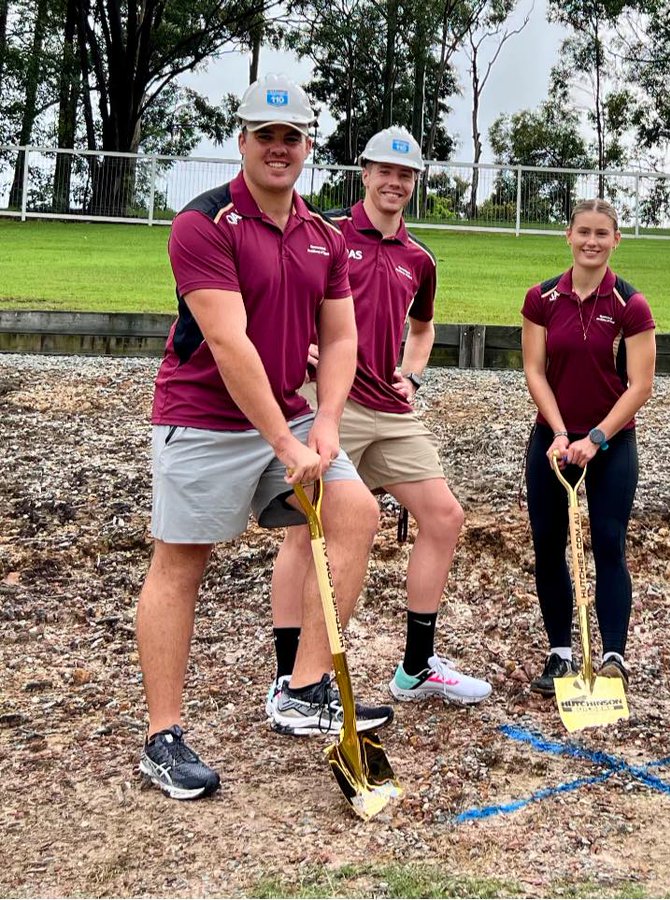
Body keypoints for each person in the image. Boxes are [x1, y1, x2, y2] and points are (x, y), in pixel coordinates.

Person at [136, 74, 390, 801]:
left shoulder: (323, 235)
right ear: (242, 141)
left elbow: (339, 339)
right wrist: (288, 445)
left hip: (291, 415)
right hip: (205, 419)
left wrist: (330, 425)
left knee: (356, 514)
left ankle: (304, 688)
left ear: (308, 146)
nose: (279, 149)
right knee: (181, 564)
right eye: (265, 136)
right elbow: (228, 342)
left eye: (292, 137)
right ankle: (163, 735)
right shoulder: (203, 223)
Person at [266, 125, 489, 722]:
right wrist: (300, 349)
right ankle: (290, 680)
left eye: (406, 174)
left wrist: (413, 375)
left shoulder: (419, 257)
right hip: (326, 404)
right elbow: (280, 295)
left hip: (390, 410)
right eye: (384, 171)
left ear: (415, 183)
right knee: (301, 535)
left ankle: (416, 668)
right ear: (363, 173)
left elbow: (423, 329)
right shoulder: (327, 233)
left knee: (444, 517)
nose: (394, 183)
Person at [520, 198, 656, 694]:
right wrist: (559, 433)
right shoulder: (541, 298)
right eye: (583, 232)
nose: (592, 241)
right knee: (549, 546)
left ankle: (613, 657)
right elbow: (534, 369)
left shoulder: (630, 305)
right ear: (569, 235)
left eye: (602, 233)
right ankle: (559, 653)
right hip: (552, 443)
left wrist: (596, 437)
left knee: (608, 543)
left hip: (610, 445)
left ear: (616, 239)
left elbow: (640, 386)